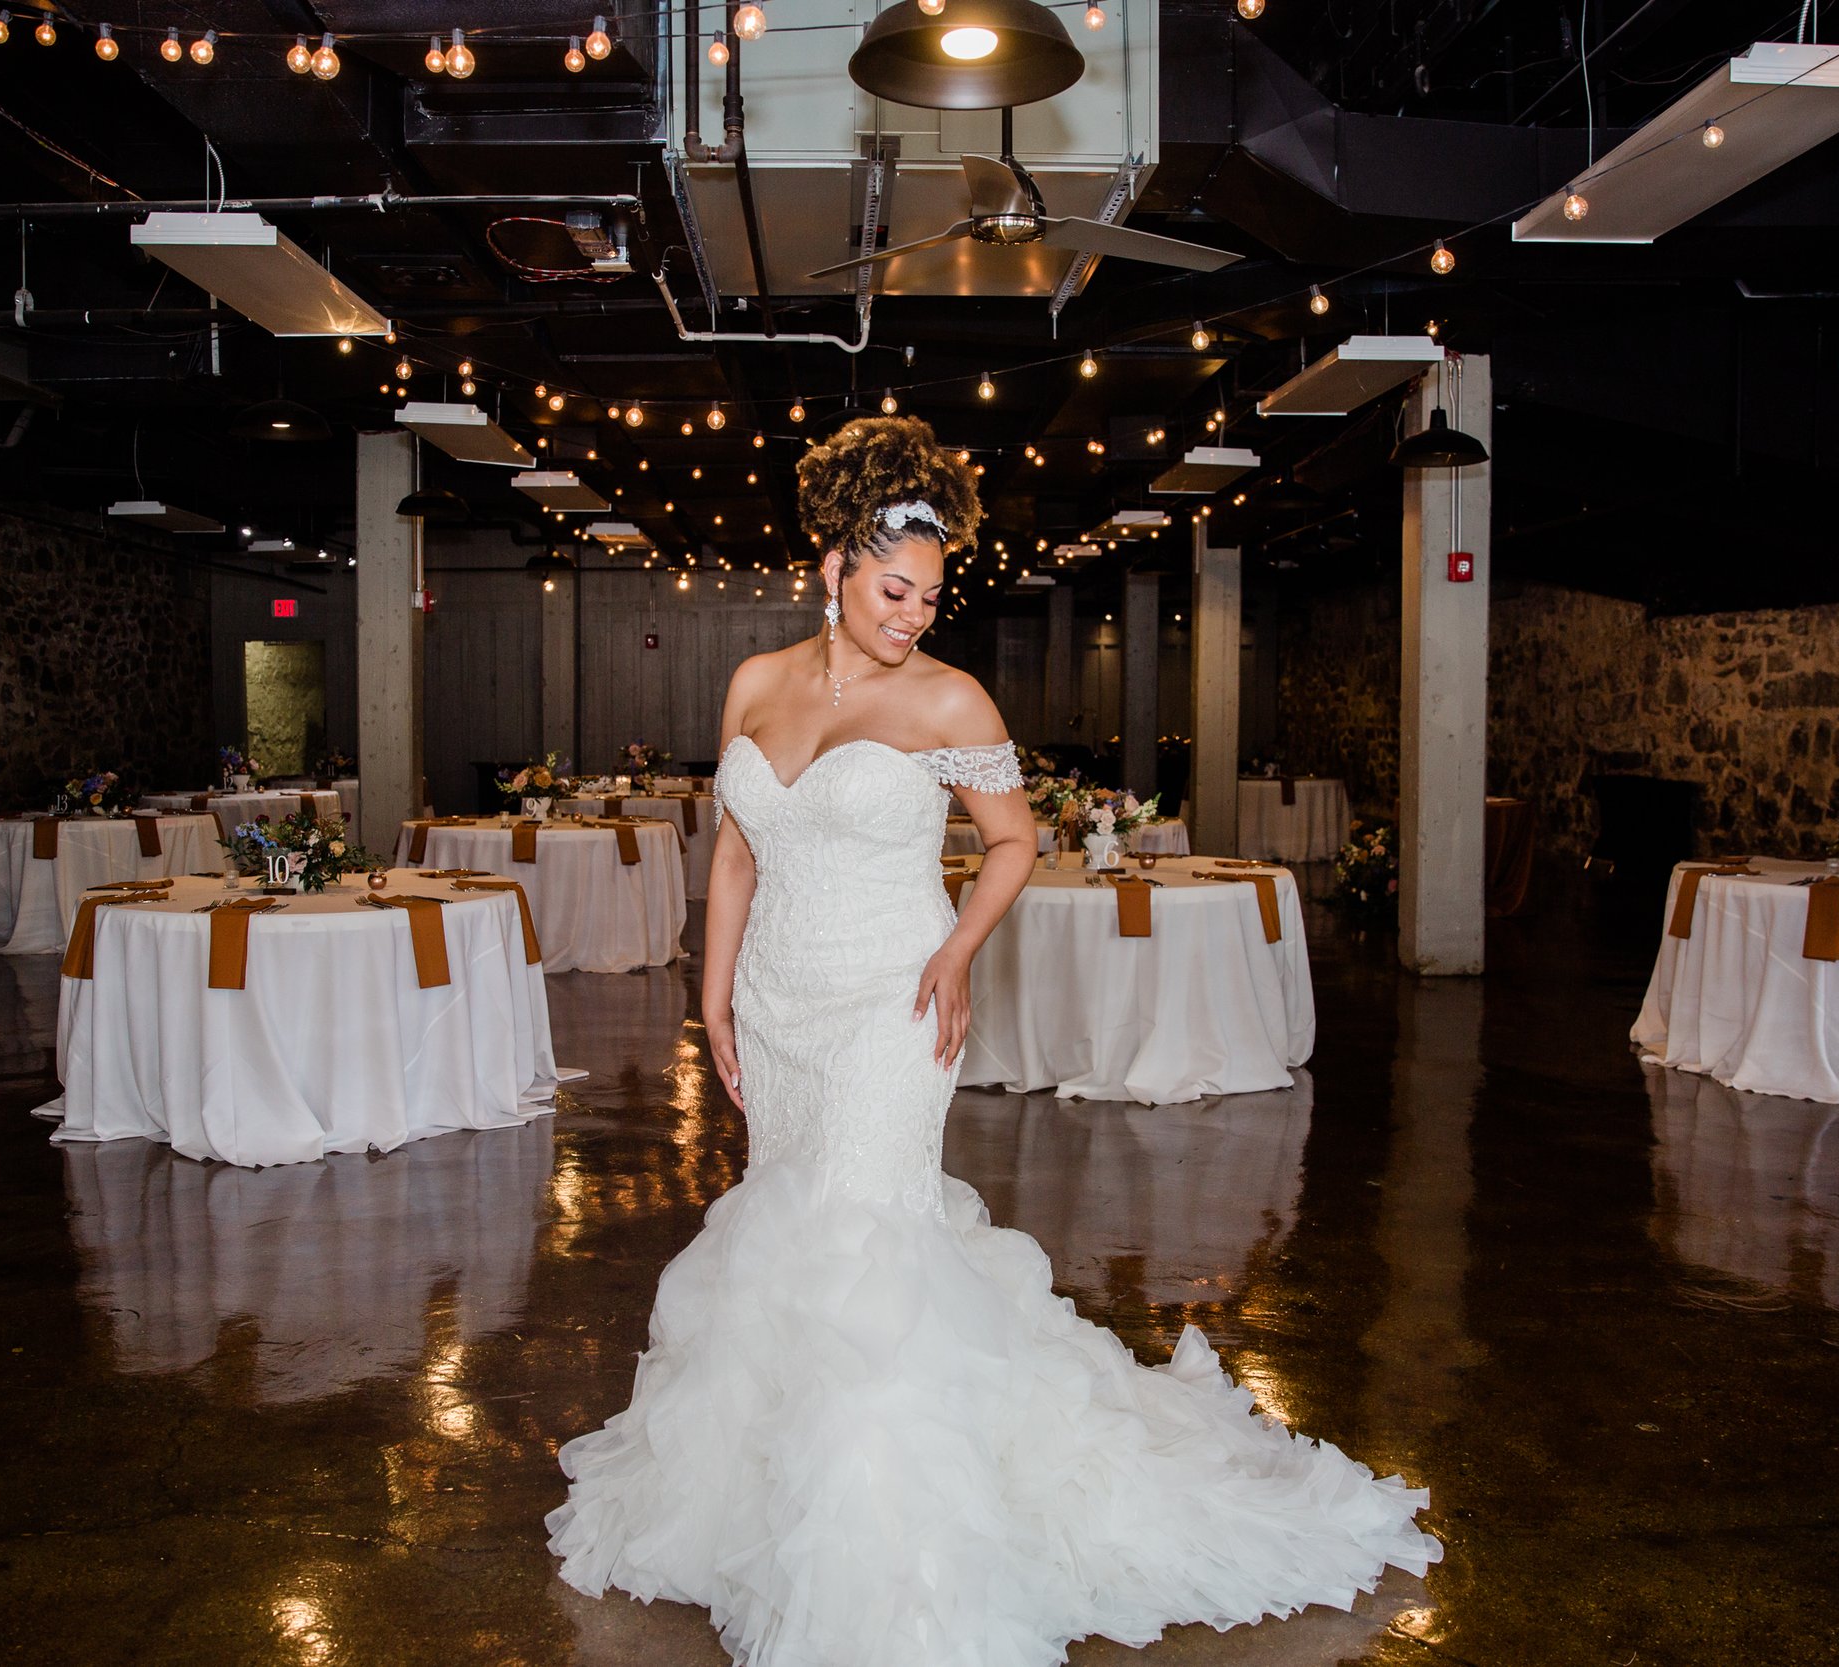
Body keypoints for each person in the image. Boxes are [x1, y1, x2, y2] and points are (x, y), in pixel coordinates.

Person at [546, 417, 1437, 1666]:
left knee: (870, 1238)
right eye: (892, 589)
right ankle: (775, 1498)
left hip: (890, 1005)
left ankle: (889, 1548)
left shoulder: (949, 696)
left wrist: (953, 953)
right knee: (792, 1233)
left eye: (930, 593)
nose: (913, 614)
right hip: (780, 1007)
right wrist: (713, 992)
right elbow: (737, 849)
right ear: (832, 569)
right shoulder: (754, 682)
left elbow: (1015, 840)